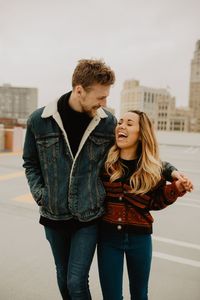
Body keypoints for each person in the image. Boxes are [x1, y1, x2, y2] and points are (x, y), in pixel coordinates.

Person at [22, 59, 189, 300]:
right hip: (53, 213)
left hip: (89, 216)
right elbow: (30, 162)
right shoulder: (40, 120)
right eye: (100, 97)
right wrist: (41, 194)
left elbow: (138, 156)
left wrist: (171, 171)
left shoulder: (106, 123)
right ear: (79, 90)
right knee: (62, 276)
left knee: (76, 281)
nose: (105, 103)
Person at [97, 110, 193, 300]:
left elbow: (156, 201)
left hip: (139, 240)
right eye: (120, 122)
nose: (121, 126)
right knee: (111, 297)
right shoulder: (106, 164)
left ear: (141, 134)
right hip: (108, 239)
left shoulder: (152, 170)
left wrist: (176, 187)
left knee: (140, 295)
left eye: (129, 123)